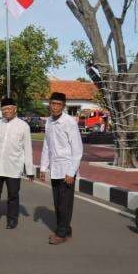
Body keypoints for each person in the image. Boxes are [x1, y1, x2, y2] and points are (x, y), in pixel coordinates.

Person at [0, 97, 34, 229]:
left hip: (13, 167)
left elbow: (27, 148)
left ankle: (12, 220)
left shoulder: (23, 126)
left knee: (13, 195)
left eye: (9, 108)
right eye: (3, 109)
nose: (6, 111)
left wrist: (29, 170)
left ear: (15, 109)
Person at [41, 92, 83, 245]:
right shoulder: (49, 122)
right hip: (55, 168)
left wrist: (71, 172)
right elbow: (47, 145)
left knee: (65, 203)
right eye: (53, 103)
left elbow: (77, 149)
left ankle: (61, 233)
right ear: (50, 104)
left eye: (58, 104)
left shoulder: (69, 122)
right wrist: (43, 167)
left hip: (67, 168)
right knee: (58, 202)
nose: (55, 107)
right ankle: (66, 229)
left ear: (63, 106)